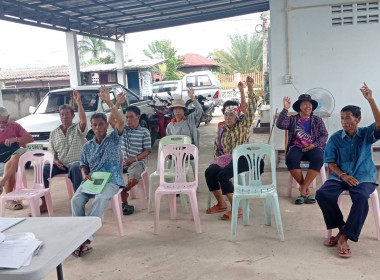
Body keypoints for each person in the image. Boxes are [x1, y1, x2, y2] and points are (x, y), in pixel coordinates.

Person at [316, 82, 380, 259]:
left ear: (358, 119)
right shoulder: (336, 138)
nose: (344, 121)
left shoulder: (366, 134)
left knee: (360, 198)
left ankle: (344, 237)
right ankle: (343, 228)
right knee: (322, 194)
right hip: (339, 177)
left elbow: (379, 122)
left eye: (348, 118)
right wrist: (343, 175)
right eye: (342, 118)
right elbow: (330, 163)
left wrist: (371, 100)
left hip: (364, 177)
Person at [71, 85, 125, 257]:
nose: (98, 127)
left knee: (100, 199)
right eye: (94, 125)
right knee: (76, 200)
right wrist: (84, 174)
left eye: (101, 124)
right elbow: (83, 163)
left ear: (106, 125)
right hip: (93, 179)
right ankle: (79, 233)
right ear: (91, 127)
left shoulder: (114, 139)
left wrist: (109, 102)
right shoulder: (88, 146)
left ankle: (86, 239)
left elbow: (121, 121)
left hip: (111, 180)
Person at [205, 76, 261, 221]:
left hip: (243, 157)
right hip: (226, 158)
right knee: (210, 171)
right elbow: (217, 148)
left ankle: (237, 208)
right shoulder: (222, 129)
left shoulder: (243, 125)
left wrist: (248, 89)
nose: (228, 118)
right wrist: (215, 161)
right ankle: (221, 203)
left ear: (237, 117)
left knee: (223, 175)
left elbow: (250, 108)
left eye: (231, 115)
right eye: (226, 115)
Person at [276, 94, 328, 204]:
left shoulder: (317, 120)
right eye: (305, 104)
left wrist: (314, 144)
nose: (308, 106)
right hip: (297, 146)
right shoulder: (293, 119)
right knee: (290, 158)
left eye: (310, 105)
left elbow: (324, 135)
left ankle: (303, 188)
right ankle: (304, 187)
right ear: (299, 107)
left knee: (318, 157)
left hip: (313, 146)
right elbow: (280, 124)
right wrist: (285, 109)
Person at [41, 90, 87, 212]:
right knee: (43, 170)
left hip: (75, 162)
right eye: (62, 114)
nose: (64, 116)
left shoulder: (77, 129)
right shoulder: (54, 132)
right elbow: (52, 151)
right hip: (59, 165)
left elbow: (83, 121)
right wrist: (55, 160)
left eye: (67, 114)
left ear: (72, 116)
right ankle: (44, 202)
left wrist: (79, 102)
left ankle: (79, 201)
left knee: (76, 168)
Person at [113, 93, 151, 215]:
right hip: (121, 162)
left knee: (134, 176)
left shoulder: (144, 132)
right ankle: (123, 201)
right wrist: (117, 104)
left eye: (131, 117)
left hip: (137, 162)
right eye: (126, 117)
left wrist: (134, 159)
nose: (128, 119)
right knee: (109, 174)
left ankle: (124, 191)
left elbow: (147, 151)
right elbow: (111, 120)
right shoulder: (122, 130)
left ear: (138, 117)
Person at [0, 107, 34, 210]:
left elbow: (30, 139)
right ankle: (9, 199)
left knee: (12, 161)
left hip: (15, 156)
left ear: (8, 117)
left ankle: (2, 184)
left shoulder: (15, 126)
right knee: (9, 166)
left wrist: (15, 139)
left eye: (4, 121)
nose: (2, 124)